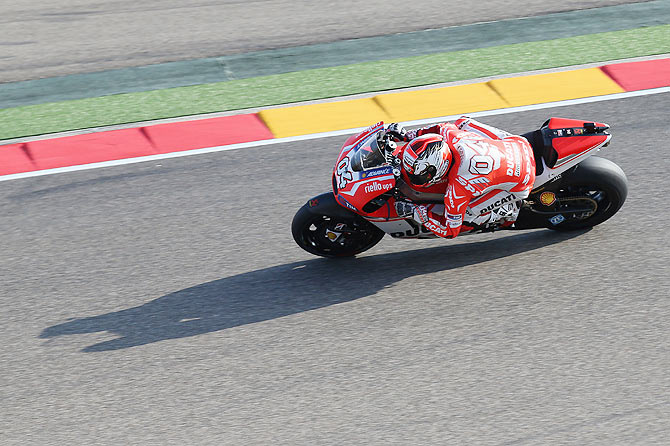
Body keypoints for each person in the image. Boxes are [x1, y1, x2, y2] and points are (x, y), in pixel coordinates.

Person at [384, 116, 536, 238]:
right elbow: (439, 127)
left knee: (467, 214)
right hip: (517, 144)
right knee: (463, 122)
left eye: (418, 176)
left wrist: (417, 213)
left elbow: (450, 230)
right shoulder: (450, 136)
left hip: (522, 179)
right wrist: (406, 135)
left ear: (438, 169)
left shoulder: (458, 188)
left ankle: (509, 211)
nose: (411, 177)